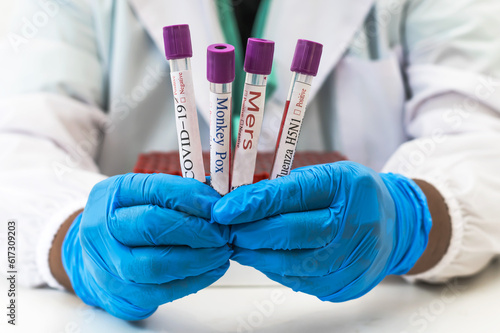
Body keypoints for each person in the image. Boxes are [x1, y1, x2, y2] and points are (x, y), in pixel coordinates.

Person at [1, 0, 500, 321]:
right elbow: (18, 146)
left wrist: (413, 216)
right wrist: (71, 242)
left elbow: (484, 132)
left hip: (375, 311)